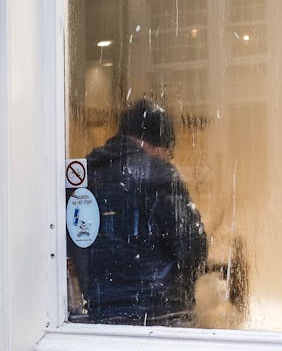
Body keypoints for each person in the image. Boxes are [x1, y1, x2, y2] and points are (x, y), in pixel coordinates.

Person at [69, 98, 208, 325]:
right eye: (168, 151)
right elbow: (191, 245)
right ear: (156, 146)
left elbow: (76, 244)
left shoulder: (86, 174)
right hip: (159, 313)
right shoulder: (160, 174)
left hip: (100, 314)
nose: (168, 157)